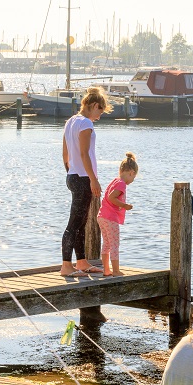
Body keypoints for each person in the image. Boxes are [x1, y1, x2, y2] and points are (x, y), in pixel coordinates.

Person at [59, 87, 112, 277]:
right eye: (100, 112)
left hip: (73, 176)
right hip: (83, 178)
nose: (99, 116)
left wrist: (71, 173)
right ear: (94, 105)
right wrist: (93, 179)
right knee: (74, 224)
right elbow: (84, 154)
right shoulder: (86, 124)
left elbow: (65, 154)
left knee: (81, 223)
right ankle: (66, 265)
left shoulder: (70, 122)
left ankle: (81, 262)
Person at [97, 152, 137, 276]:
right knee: (114, 244)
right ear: (131, 173)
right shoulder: (121, 184)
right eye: (133, 178)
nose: (132, 181)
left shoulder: (115, 181)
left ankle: (106, 270)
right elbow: (111, 197)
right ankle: (115, 270)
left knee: (107, 243)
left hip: (102, 216)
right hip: (110, 217)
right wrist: (124, 205)